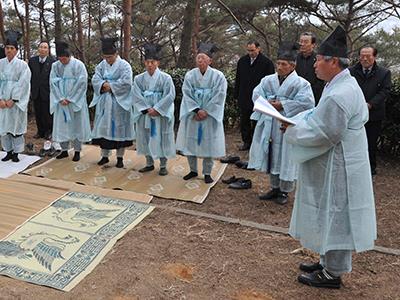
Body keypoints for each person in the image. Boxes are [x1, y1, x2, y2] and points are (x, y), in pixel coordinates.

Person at [284, 26, 376, 289]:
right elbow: (317, 117)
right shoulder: (339, 85)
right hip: (339, 160)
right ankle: (327, 261)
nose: (314, 64)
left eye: (318, 59)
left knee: (337, 213)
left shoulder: (340, 93)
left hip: (341, 165)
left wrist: (291, 128)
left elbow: (325, 132)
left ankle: (332, 273)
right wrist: (297, 122)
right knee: (330, 212)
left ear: (332, 61)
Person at [247, 42, 314, 204]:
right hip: (270, 123)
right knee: (272, 154)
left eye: (284, 64)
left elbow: (307, 103)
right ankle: (274, 187)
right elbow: (257, 94)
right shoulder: (267, 80)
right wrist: (268, 104)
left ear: (292, 66)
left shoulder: (302, 84)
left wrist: (282, 104)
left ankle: (285, 190)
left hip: (287, 124)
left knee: (287, 156)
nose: (280, 67)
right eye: (278, 63)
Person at [176, 42, 227, 184]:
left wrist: (206, 111)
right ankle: (192, 170)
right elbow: (186, 93)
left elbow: (219, 95)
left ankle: (207, 172)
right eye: (198, 58)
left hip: (209, 116)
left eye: (203, 58)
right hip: (193, 114)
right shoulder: (190, 75)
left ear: (210, 60)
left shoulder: (218, 76)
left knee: (208, 143)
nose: (200, 61)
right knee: (190, 142)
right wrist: (197, 110)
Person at [90, 37, 134, 168]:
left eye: (110, 56)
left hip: (118, 102)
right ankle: (104, 156)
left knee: (119, 130)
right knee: (104, 130)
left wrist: (111, 86)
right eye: (105, 57)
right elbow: (95, 79)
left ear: (116, 54)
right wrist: (103, 84)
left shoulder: (125, 65)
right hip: (105, 100)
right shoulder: (101, 65)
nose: (108, 59)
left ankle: (120, 158)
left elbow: (127, 82)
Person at [132, 43, 176, 175]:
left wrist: (157, 109)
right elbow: (136, 95)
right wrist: (145, 109)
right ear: (145, 63)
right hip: (146, 113)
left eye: (152, 62)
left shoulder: (166, 78)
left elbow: (170, 95)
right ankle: (149, 163)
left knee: (162, 137)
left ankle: (163, 165)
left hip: (159, 114)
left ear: (157, 62)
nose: (150, 64)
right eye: (147, 62)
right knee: (145, 137)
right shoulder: (138, 78)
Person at [349, 46, 391, 176]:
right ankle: (354, 167)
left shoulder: (384, 73)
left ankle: (371, 168)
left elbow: (385, 91)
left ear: (374, 57)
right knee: (353, 141)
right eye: (362, 56)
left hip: (373, 114)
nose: (365, 59)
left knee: (371, 142)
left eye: (368, 56)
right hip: (354, 114)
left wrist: (370, 104)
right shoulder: (351, 71)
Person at [50, 41, 91, 162]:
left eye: (64, 59)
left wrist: (70, 98)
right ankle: (64, 150)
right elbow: (52, 83)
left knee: (76, 125)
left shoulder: (79, 65)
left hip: (74, 101)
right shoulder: (55, 66)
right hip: (61, 101)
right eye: (60, 59)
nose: (62, 61)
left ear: (69, 56)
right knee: (62, 126)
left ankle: (77, 150)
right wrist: (60, 98)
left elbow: (82, 84)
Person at [234, 41, 275, 151]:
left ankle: (256, 143)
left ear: (258, 49)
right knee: (245, 120)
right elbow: (238, 79)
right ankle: (246, 142)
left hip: (259, 98)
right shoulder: (242, 61)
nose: (250, 53)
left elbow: (270, 82)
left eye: (252, 50)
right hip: (244, 95)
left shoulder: (267, 63)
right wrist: (236, 94)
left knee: (257, 121)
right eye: (248, 50)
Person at [0, 30, 31, 162]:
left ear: (17, 50)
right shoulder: (0, 63)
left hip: (16, 102)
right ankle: (8, 150)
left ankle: (16, 152)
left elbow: (23, 84)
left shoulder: (23, 65)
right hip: (2, 101)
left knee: (16, 127)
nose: (9, 50)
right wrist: (1, 99)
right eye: (7, 48)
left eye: (12, 48)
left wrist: (14, 99)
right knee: (4, 127)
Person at [29, 41, 56, 139]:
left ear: (48, 50)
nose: (43, 49)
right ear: (38, 49)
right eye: (41, 47)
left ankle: (49, 131)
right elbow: (29, 76)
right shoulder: (32, 61)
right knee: (38, 112)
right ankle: (40, 131)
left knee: (47, 113)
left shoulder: (53, 62)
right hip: (36, 91)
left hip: (47, 91)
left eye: (45, 47)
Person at [296, 32, 325, 105]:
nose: (302, 44)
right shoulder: (294, 58)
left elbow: (321, 81)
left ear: (313, 45)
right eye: (301, 41)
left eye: (305, 42)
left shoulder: (319, 59)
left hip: (314, 97)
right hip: (296, 96)